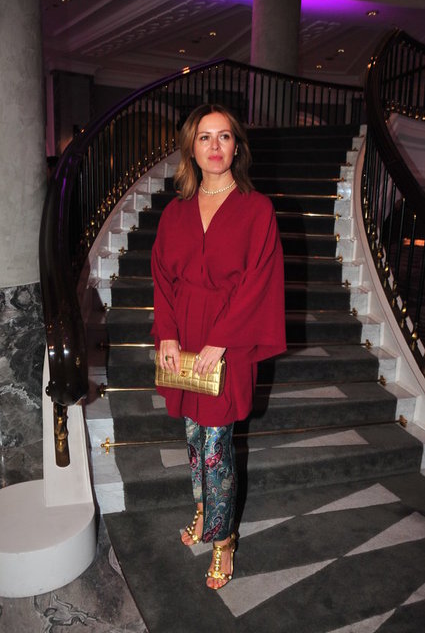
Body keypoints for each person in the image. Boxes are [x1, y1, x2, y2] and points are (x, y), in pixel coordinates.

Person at [151, 104, 286, 590]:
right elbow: (161, 276)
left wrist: (220, 340)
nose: (214, 146)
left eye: (224, 136)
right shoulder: (176, 211)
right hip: (184, 331)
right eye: (204, 137)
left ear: (236, 147)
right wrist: (167, 332)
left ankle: (223, 539)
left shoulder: (256, 208)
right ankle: (204, 507)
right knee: (193, 435)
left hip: (230, 335)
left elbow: (258, 281)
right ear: (191, 147)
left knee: (216, 444)